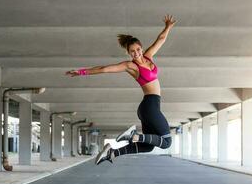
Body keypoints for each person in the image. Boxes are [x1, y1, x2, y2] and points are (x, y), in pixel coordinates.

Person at [66, 14, 176, 165]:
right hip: (149, 106)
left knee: (148, 147)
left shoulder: (148, 57)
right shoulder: (130, 66)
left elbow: (161, 40)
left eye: (138, 49)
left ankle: (112, 152)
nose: (136, 53)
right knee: (166, 142)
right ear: (128, 53)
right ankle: (133, 135)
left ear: (141, 48)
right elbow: (104, 69)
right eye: (132, 51)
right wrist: (81, 72)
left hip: (150, 106)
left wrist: (168, 27)